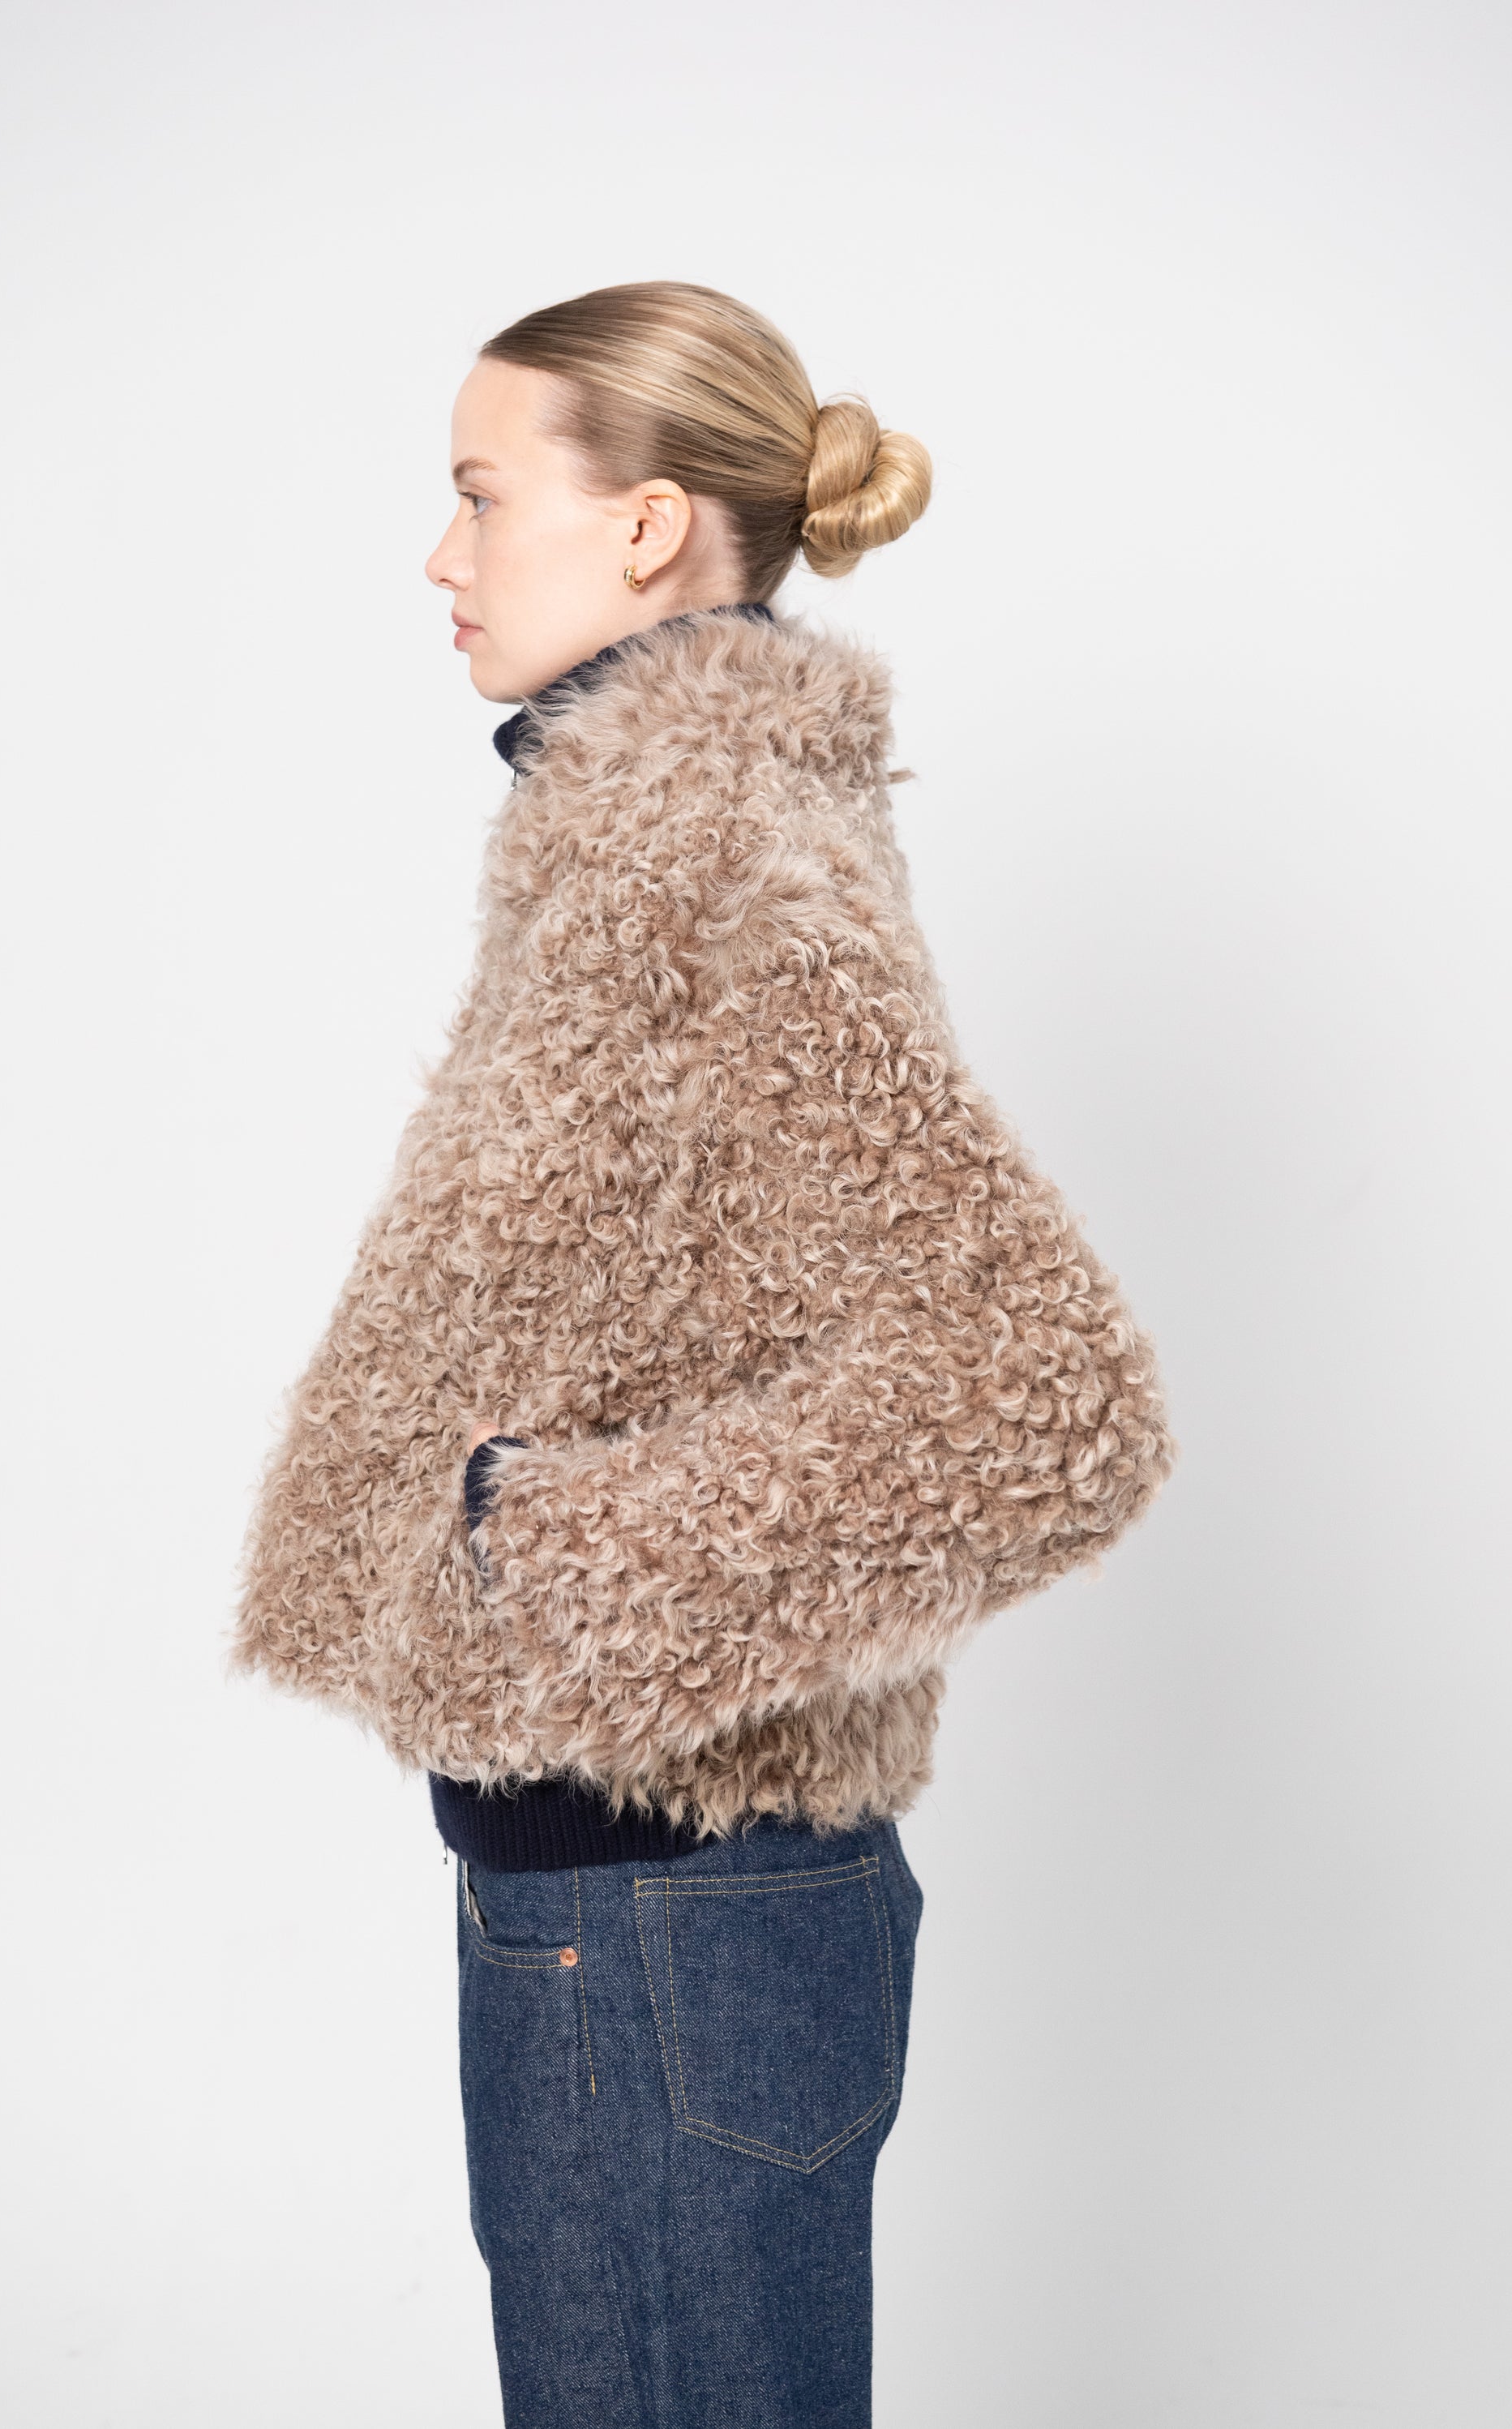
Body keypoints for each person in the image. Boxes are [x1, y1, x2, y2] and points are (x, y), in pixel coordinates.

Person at [231, 281, 1175, 2428]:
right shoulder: (649, 840)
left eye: (484, 495)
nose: (444, 554)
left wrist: (554, 1553)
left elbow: (1047, 1389)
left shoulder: (719, 849)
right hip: (642, 1914)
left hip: (673, 1913)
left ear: (649, 526)